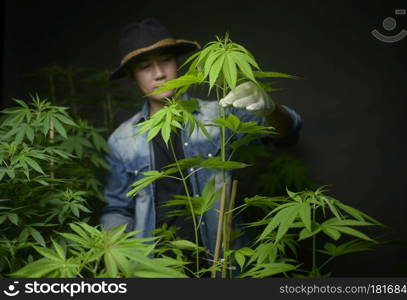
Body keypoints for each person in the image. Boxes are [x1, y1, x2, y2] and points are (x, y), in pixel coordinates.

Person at [100, 18, 303, 270]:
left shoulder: (218, 114)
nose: (159, 73)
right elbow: (118, 208)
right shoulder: (122, 140)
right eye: (144, 66)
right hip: (154, 268)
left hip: (219, 262)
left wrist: (270, 109)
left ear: (178, 63)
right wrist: (113, 251)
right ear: (132, 76)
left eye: (165, 60)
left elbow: (288, 131)